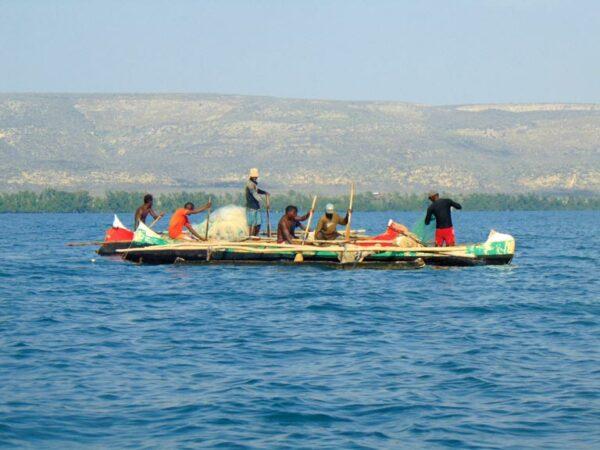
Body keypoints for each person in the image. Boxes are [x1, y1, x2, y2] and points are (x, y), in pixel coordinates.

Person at [245, 168, 270, 236]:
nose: (255, 177)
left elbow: (257, 191)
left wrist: (265, 192)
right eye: (254, 176)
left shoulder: (254, 184)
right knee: (251, 225)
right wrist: (264, 203)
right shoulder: (250, 184)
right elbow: (255, 194)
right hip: (251, 207)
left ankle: (255, 236)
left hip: (256, 207)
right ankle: (251, 237)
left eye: (256, 176)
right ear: (251, 176)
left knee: (258, 224)